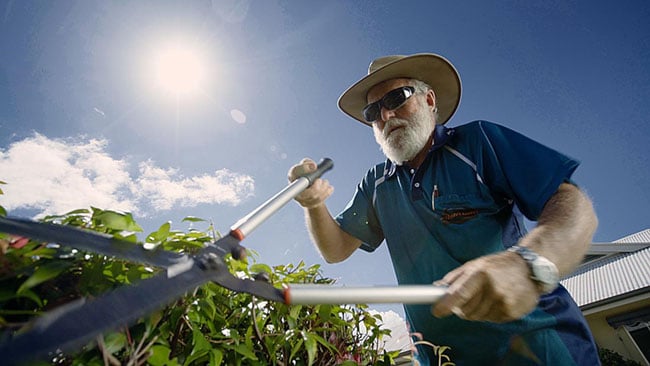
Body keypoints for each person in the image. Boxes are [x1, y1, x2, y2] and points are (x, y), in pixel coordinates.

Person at [288, 53, 600, 365]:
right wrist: (315, 205)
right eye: (373, 111)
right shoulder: (376, 183)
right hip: (440, 358)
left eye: (397, 97)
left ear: (429, 100)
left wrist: (526, 265)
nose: (386, 115)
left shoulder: (477, 142)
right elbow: (336, 249)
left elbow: (574, 205)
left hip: (536, 348)